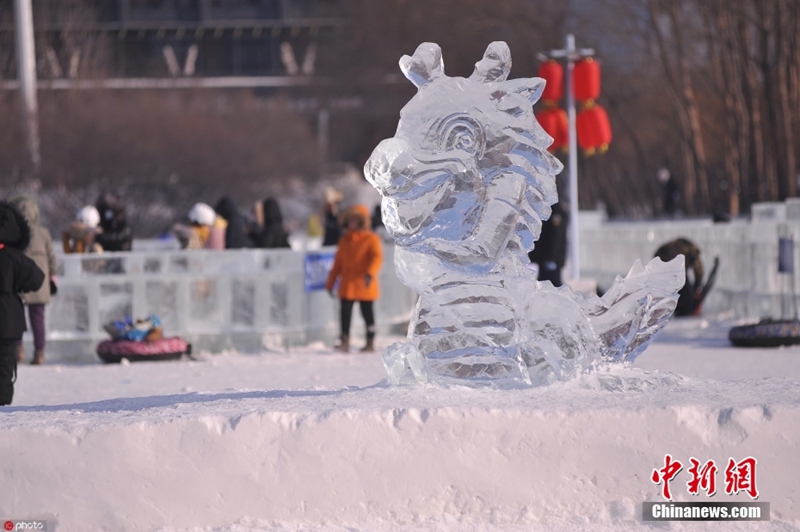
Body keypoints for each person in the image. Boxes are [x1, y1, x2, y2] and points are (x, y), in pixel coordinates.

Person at [0, 202, 45, 405]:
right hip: (8, 320)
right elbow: (37, 278)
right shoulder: (14, 257)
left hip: (8, 318)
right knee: (4, 368)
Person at [325, 205, 383, 352]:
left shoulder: (371, 239)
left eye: (355, 220)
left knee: (368, 314)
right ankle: (344, 341)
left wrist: (370, 273)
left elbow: (376, 258)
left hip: (364, 283)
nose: (352, 223)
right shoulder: (344, 240)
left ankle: (370, 341)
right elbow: (338, 263)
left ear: (362, 221)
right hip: (347, 284)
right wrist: (330, 283)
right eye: (350, 220)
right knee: (345, 314)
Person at [8, 195, 57, 365]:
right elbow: (51, 258)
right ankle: (39, 352)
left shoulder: (15, 233)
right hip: (40, 283)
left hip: (19, 282)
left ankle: (18, 350)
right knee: (38, 319)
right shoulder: (43, 233)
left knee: (16, 316)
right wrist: (52, 278)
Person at [528, 200, 568, 287]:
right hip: (545, 259)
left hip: (550, 259)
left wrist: (551, 258)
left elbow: (555, 236)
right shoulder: (546, 206)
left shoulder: (555, 208)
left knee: (551, 286)